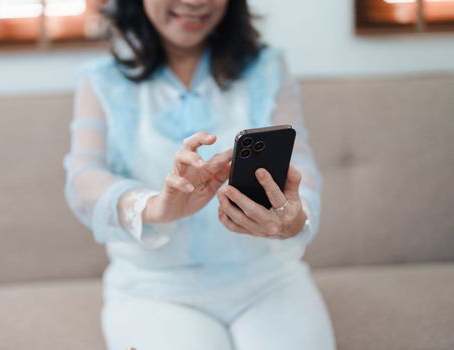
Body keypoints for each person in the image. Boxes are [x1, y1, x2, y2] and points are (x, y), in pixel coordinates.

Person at [62, 0, 336, 349]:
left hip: (268, 281)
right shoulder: (100, 81)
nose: (195, 2)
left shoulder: (268, 68)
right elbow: (84, 177)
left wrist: (294, 220)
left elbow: (302, 169)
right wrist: (155, 206)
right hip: (155, 289)